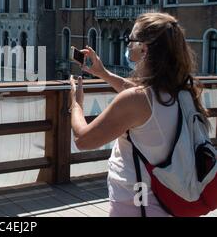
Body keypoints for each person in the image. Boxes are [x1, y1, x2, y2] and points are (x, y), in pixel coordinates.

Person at [69, 13, 208, 217]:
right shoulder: (182, 92)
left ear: (144, 48)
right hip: (168, 202)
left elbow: (83, 139)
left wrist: (76, 104)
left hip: (138, 207)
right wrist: (104, 73)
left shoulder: (137, 100)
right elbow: (141, 95)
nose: (127, 45)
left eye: (130, 39)